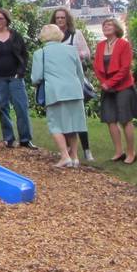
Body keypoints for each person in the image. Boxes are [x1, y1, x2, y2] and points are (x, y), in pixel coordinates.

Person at [31, 24, 88, 167]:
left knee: (55, 125)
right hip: (74, 91)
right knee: (73, 124)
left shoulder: (40, 53)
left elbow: (36, 77)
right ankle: (74, 157)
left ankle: (64, 156)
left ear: (43, 36)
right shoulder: (71, 50)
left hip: (55, 92)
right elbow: (80, 74)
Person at [0, 8, 36, 150]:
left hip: (15, 78)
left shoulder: (16, 36)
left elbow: (24, 55)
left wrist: (20, 72)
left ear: (7, 19)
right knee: (3, 108)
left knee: (21, 107)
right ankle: (8, 138)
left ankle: (25, 139)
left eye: (0, 18)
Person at [94, 18, 137, 164]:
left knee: (125, 120)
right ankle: (118, 151)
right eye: (104, 25)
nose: (105, 27)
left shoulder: (123, 44)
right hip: (107, 87)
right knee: (110, 120)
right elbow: (96, 66)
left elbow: (125, 68)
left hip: (123, 87)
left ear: (116, 28)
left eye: (109, 25)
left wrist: (110, 83)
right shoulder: (100, 45)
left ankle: (131, 152)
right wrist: (104, 83)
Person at [51, 8, 94, 161]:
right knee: (62, 116)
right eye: (57, 18)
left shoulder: (76, 34)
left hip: (74, 78)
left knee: (77, 115)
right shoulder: (52, 37)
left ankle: (86, 149)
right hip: (58, 80)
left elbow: (87, 53)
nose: (60, 20)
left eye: (62, 18)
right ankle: (68, 149)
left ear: (67, 19)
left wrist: (74, 54)